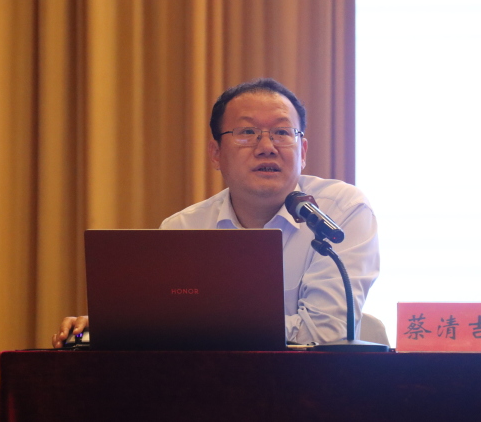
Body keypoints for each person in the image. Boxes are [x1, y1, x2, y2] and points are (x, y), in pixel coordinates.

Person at [52, 78, 380, 348]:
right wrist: (116, 328)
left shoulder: (340, 212)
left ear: (303, 151)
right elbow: (166, 330)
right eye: (247, 133)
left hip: (311, 391)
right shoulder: (184, 229)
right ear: (215, 154)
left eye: (282, 133)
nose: (267, 147)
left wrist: (207, 327)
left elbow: (326, 331)